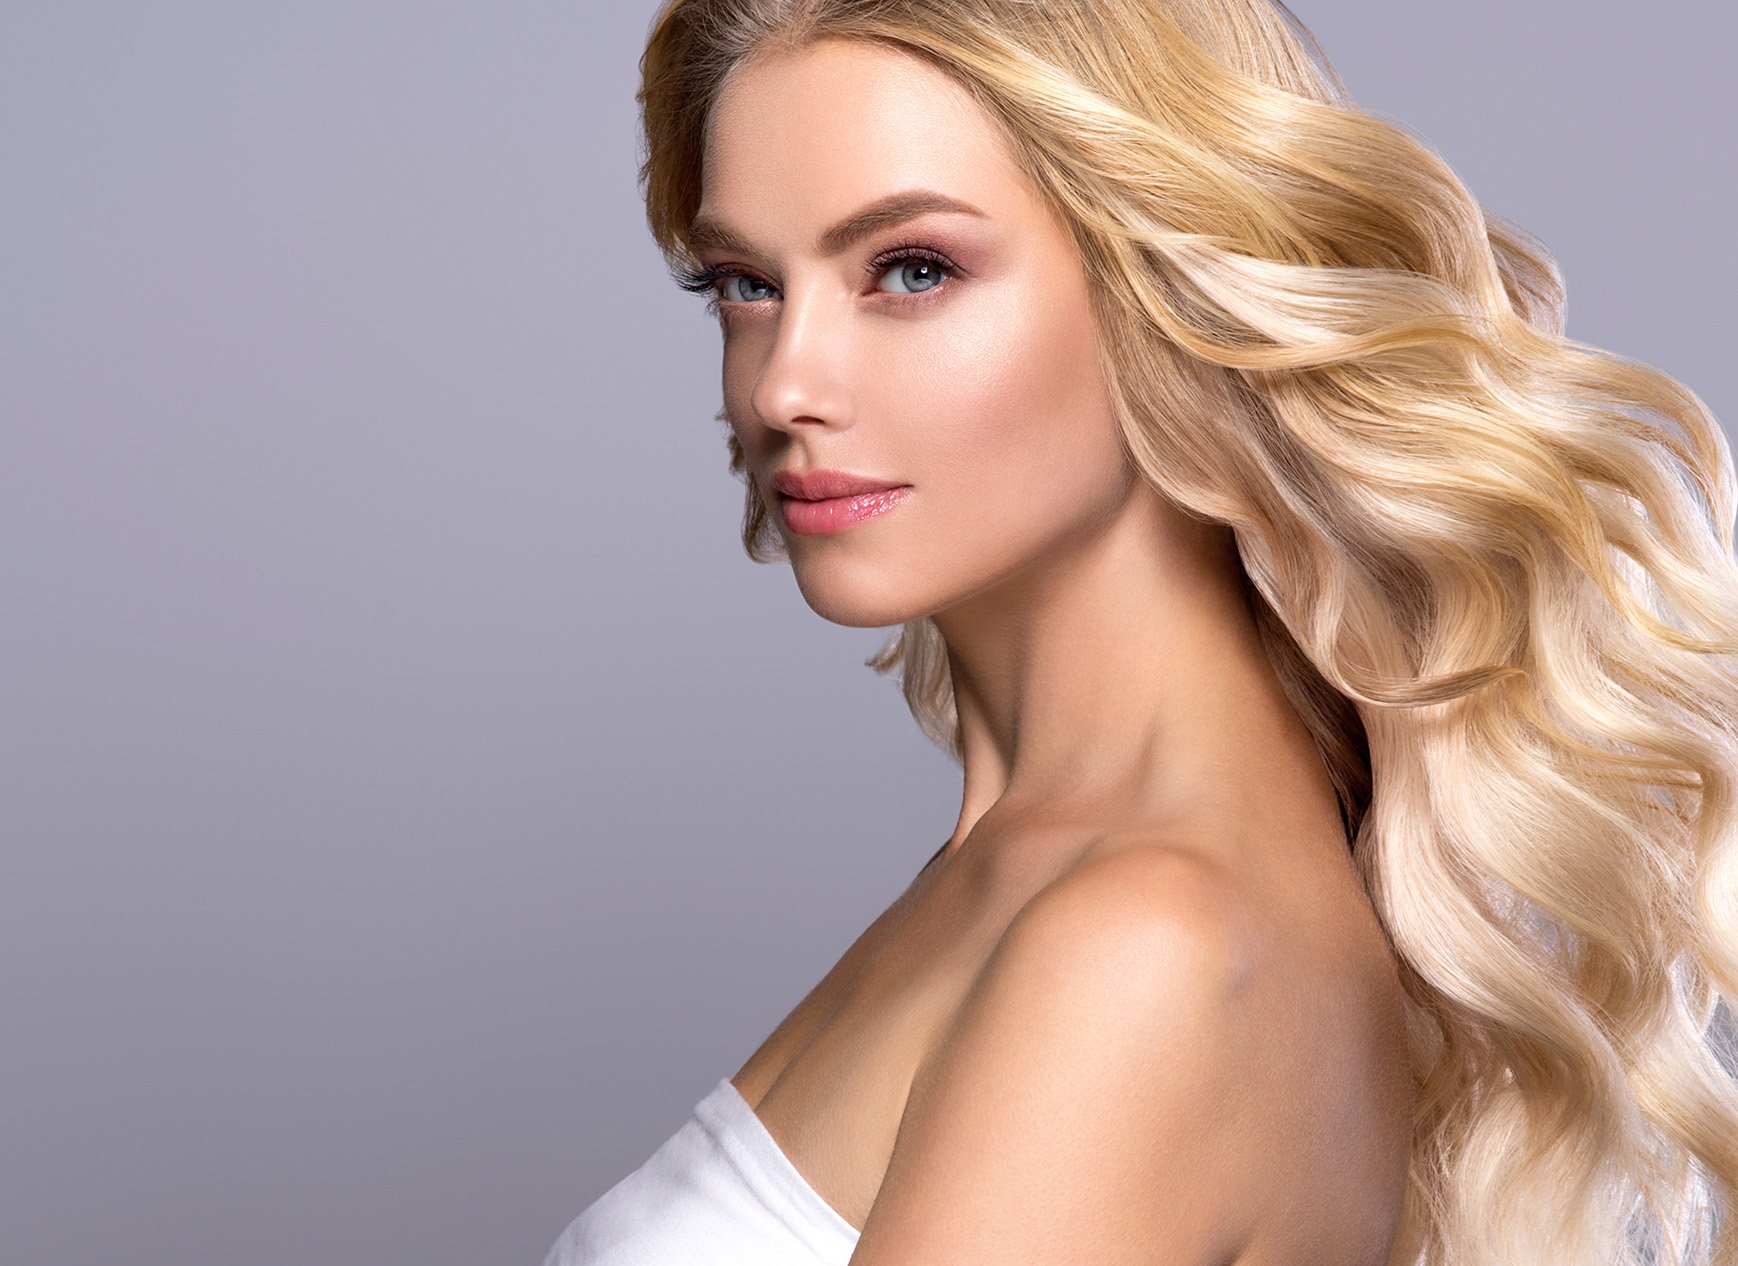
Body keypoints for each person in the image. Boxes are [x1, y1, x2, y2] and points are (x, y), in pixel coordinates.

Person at [542, 1, 1738, 1264]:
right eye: (747, 285)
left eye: (912, 270)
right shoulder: (1048, 866)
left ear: (1160, 281)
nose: (786, 384)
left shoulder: (1148, 945)